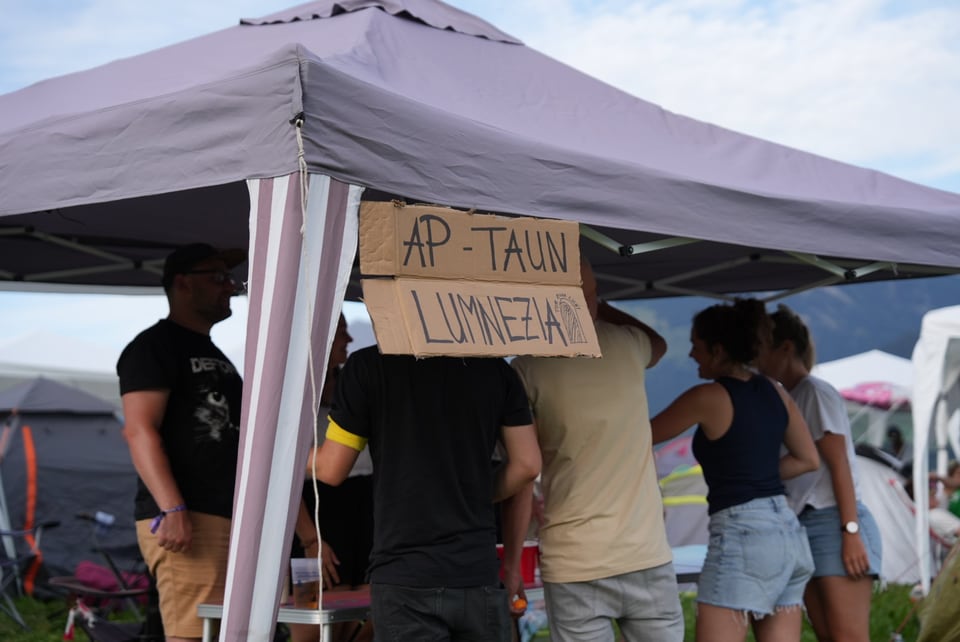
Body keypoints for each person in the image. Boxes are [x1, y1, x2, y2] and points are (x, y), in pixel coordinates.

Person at [308, 346, 541, 641]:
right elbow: (528, 464)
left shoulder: (369, 365)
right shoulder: (495, 370)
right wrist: (474, 494)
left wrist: (284, 457)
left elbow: (331, 468)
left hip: (405, 579)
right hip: (476, 574)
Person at [511, 259, 684, 642]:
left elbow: (524, 468)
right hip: (645, 552)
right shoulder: (627, 344)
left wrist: (510, 566)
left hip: (575, 560)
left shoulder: (526, 367)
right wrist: (601, 305)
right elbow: (659, 345)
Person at [651, 298, 819, 642]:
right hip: (788, 534)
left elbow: (639, 437)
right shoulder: (775, 391)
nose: (691, 355)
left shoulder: (708, 396)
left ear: (718, 350)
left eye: (696, 346)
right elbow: (807, 459)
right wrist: (756, 472)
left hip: (744, 535)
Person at [117, 243, 245, 642]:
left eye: (231, 277)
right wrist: (172, 508)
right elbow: (139, 430)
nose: (231, 287)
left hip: (225, 516)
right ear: (183, 284)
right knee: (193, 635)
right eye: (219, 277)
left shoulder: (215, 352)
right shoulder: (153, 346)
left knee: (227, 633)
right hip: (188, 517)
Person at [758, 304, 882, 642]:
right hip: (807, 524)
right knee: (830, 635)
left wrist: (851, 530)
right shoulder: (789, 395)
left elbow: (839, 463)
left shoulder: (813, 392)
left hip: (833, 520)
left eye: (761, 349)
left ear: (785, 348)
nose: (756, 359)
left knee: (847, 636)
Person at [290, 314, 374, 642]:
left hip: (364, 510)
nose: (349, 341)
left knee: (366, 619)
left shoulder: (352, 387)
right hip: (315, 516)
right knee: (311, 627)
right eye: (341, 332)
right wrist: (310, 539)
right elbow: (283, 479)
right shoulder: (293, 394)